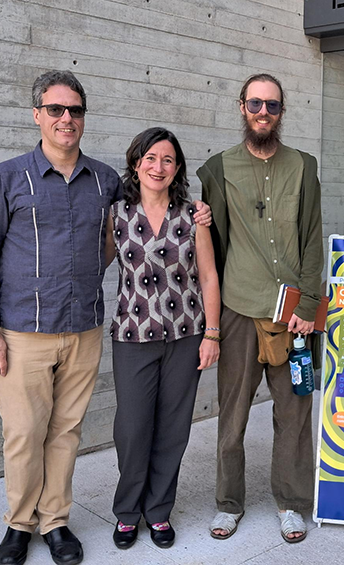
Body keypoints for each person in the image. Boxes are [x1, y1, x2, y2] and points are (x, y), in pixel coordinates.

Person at [0, 70, 121, 565]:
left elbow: (115, 242)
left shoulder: (106, 180)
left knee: (66, 431)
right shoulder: (8, 177)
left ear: (83, 118)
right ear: (38, 115)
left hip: (85, 327)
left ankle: (55, 522)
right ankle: (18, 525)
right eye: (56, 109)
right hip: (21, 334)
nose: (66, 118)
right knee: (24, 433)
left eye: (74, 110)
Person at [196, 73, 323, 543]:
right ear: (242, 108)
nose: (263, 112)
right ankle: (229, 503)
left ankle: (291, 503)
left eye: (272, 105)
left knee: (294, 413)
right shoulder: (217, 169)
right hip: (239, 308)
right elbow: (205, 240)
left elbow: (313, 237)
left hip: (294, 316)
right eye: (255, 104)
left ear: (282, 111)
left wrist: (309, 303)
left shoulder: (303, 166)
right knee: (232, 416)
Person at [106, 127, 221, 550]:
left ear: (177, 169)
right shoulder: (116, 214)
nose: (159, 166)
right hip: (132, 335)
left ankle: (158, 512)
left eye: (168, 160)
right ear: (136, 163)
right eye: (151, 158)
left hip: (186, 335)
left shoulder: (193, 214)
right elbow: (97, 263)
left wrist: (213, 333)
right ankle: (126, 512)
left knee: (173, 429)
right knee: (133, 428)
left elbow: (208, 275)